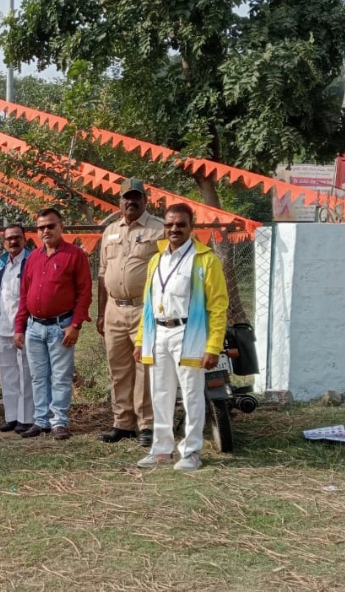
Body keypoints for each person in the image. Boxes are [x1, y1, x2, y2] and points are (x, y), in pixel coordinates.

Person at [134, 203, 229, 472]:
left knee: (191, 394)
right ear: (164, 226)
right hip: (159, 332)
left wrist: (213, 345)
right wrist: (141, 340)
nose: (174, 229)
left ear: (191, 227)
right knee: (160, 392)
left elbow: (218, 306)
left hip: (190, 334)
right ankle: (162, 449)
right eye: (170, 224)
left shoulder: (205, 259)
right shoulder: (157, 259)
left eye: (180, 224)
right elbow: (148, 304)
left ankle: (191, 451)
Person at [96, 178, 165, 447]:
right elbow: (102, 275)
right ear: (120, 201)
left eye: (136, 197)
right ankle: (122, 422)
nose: (131, 201)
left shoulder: (158, 229)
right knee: (118, 367)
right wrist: (101, 313)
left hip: (144, 308)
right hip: (114, 309)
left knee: (144, 366)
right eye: (126, 197)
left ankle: (146, 424)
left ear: (145, 200)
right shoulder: (110, 231)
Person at [14, 208, 93, 440]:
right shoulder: (33, 258)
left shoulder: (75, 255)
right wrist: (20, 326)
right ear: (36, 231)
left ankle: (59, 422)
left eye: (51, 225)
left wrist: (76, 324)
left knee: (60, 376)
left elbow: (85, 292)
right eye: (41, 227)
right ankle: (41, 420)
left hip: (62, 326)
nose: (46, 230)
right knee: (38, 376)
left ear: (61, 226)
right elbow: (24, 294)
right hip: (34, 327)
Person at [0, 223, 34, 433]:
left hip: (24, 327)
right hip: (3, 326)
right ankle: (12, 417)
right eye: (9, 238)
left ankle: (26, 418)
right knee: (7, 372)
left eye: (17, 237)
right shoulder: (1, 263)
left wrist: (25, 326)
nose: (13, 241)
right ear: (4, 241)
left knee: (25, 372)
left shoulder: (32, 260)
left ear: (25, 239)